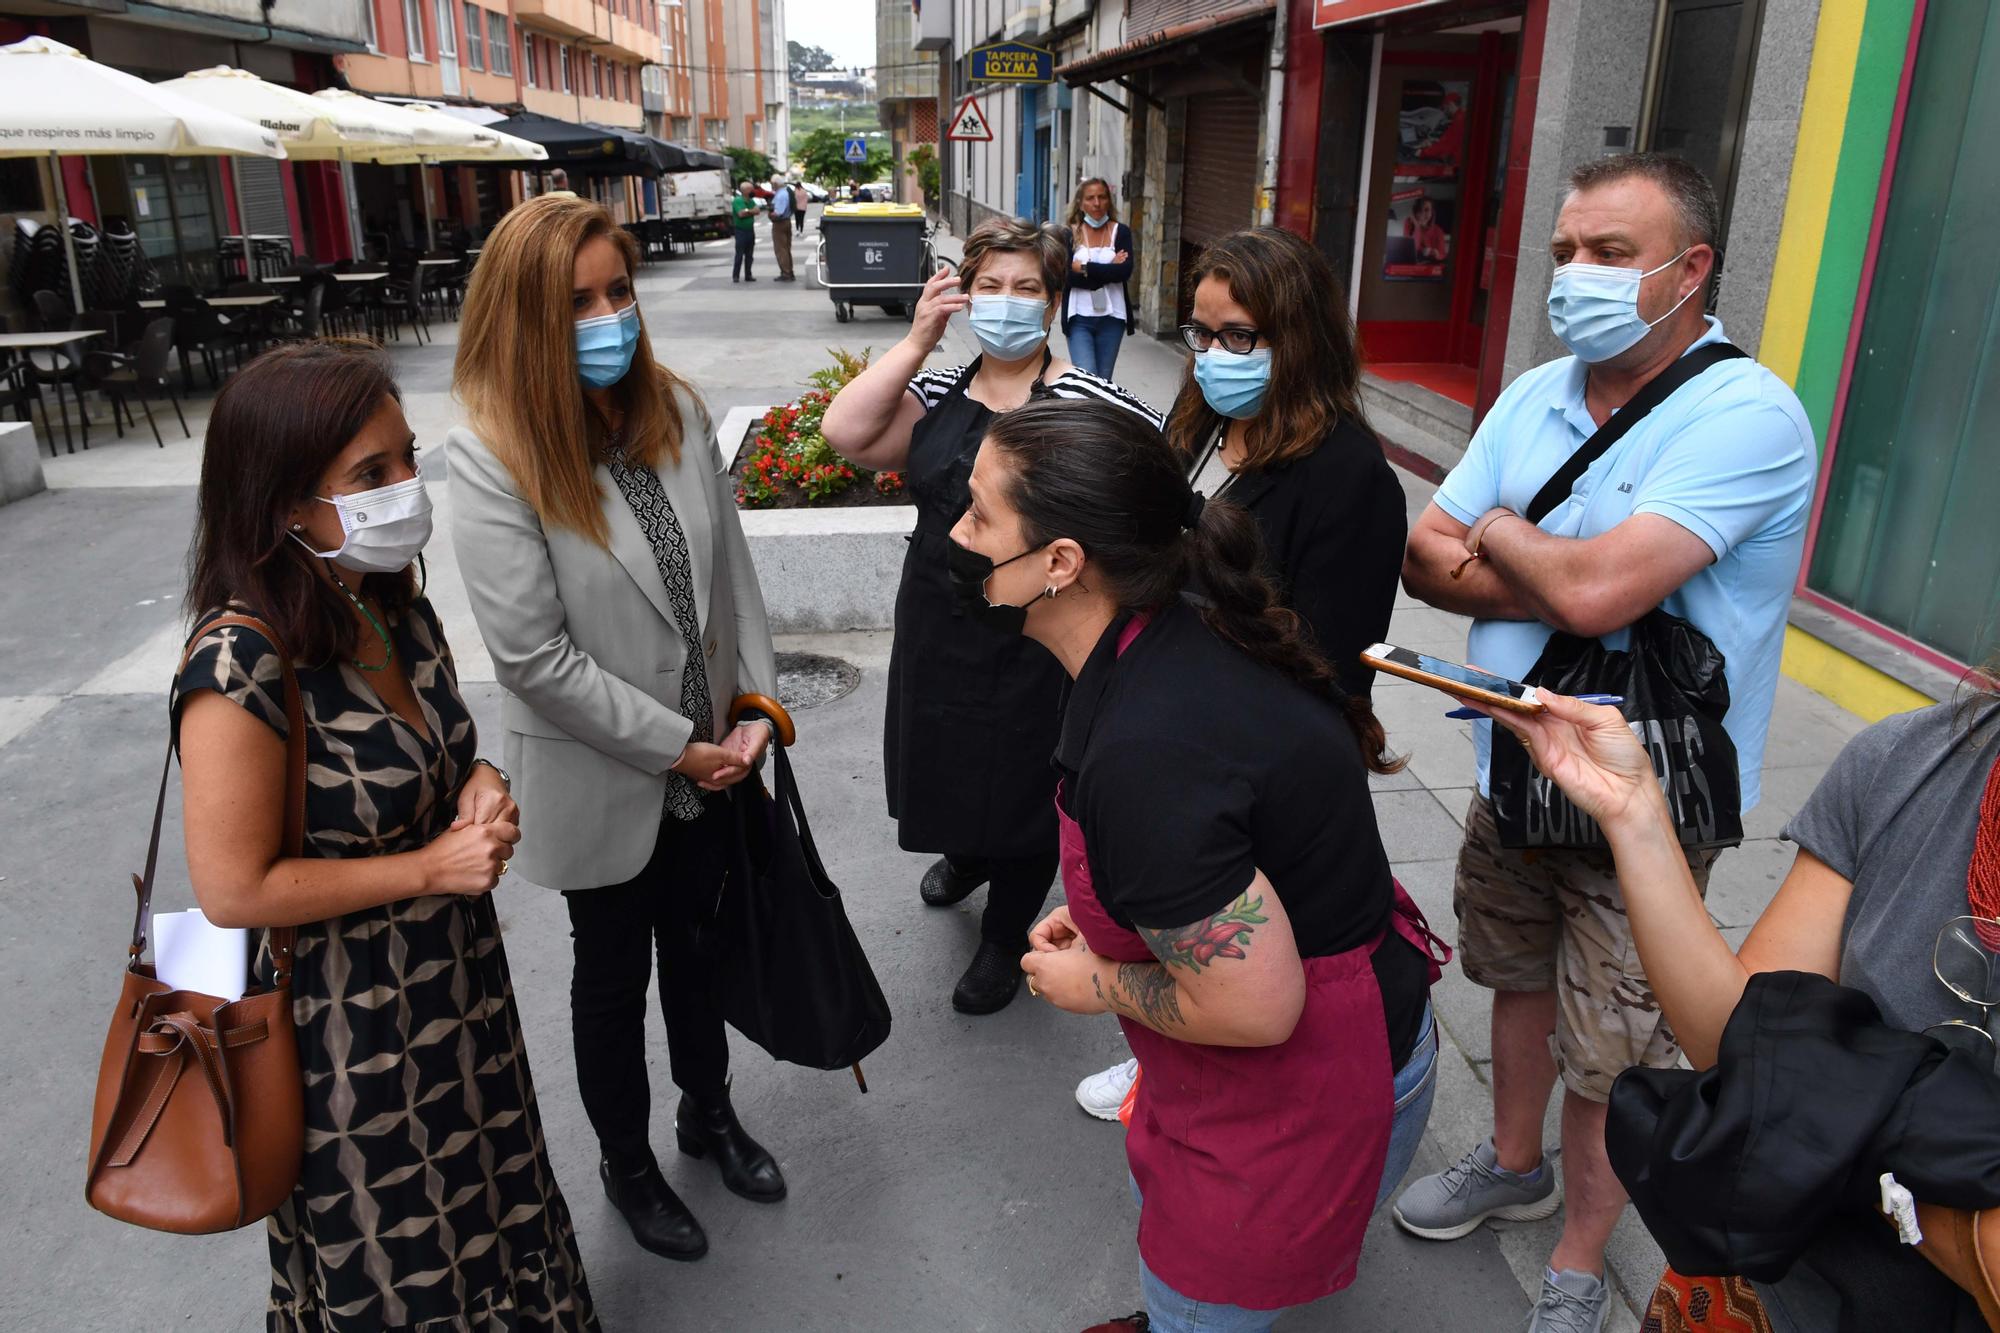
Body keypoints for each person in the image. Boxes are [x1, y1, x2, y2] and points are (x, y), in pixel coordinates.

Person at [1393, 152, 1817, 1332]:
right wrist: (1540, 563)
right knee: (1517, 982)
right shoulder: (1534, 392)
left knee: (1616, 1046)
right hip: (1507, 768)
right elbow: (1422, 555)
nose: (1574, 276)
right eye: (1565, 252)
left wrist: (1498, 532)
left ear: (1690, 271)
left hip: (1645, 805)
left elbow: (1588, 594)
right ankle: (1511, 1160)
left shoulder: (1746, 415)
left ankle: (1580, 1251)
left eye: (1609, 254)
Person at [961, 398, 1437, 1333]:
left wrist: (1097, 978)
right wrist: (1112, 912)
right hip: (1348, 1026)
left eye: (980, 516)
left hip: (1306, 1082)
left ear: (1060, 562)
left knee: (1197, 1311)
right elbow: (1205, 855)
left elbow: (1255, 1004)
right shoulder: (1177, 621)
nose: (957, 534)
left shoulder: (1150, 750)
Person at [175, 341, 596, 1330]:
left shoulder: (387, 601)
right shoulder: (237, 661)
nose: (406, 487)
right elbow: (232, 889)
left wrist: (480, 780)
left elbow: (440, 750)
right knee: (401, 1254)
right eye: (371, 474)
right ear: (285, 501)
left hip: (455, 989)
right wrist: (431, 864)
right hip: (340, 1036)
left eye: (406, 457)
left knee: (500, 1203)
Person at [446, 195, 786, 1266]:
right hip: (609, 771)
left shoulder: (671, 408)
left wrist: (754, 710)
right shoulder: (494, 453)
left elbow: (731, 576)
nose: (609, 316)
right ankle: (626, 1164)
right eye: (577, 300)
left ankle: (708, 1111)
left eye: (618, 291)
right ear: (522, 316)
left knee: (699, 946)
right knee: (611, 977)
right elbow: (533, 660)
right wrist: (673, 746)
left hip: (713, 761)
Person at [1471, 673, 1999, 1332]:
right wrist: (1636, 813)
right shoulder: (1911, 757)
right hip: (1778, 1290)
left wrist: (1842, 1112)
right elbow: (1743, 1045)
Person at [1074, 225, 1408, 1122]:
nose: (1213, 355)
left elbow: (1329, 662)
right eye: (1201, 332)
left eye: (1239, 337)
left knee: (1239, 946)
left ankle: (1192, 1071)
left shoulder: (1349, 478)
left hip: (1255, 765)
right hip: (1173, 728)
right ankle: (1159, 1055)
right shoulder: (1206, 426)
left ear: (1298, 339)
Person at [821, 216, 1160, 1014]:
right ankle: (967, 855)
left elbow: (1157, 494)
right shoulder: (937, 391)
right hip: (938, 623)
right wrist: (917, 338)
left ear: (1052, 303)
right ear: (965, 294)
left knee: (1024, 781)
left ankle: (1006, 937)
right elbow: (845, 432)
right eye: (990, 286)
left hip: (1037, 634)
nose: (1006, 303)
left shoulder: (1084, 398)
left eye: (1026, 289)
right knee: (943, 758)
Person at [1060, 177, 1134, 380]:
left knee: (1104, 380)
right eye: (1090, 198)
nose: (1097, 203)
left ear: (1109, 200)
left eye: (1102, 197)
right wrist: (1109, 269)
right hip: (1079, 319)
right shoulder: (1070, 234)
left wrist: (1084, 268)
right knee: (1087, 378)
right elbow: (1065, 277)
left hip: (1113, 318)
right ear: (1080, 203)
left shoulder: (1121, 232)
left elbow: (1124, 272)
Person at [766, 174, 796, 281]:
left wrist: (770, 213)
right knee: (786, 248)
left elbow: (778, 212)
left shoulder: (780, 195)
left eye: (771, 183)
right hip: (786, 221)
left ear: (775, 183)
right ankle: (789, 271)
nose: (771, 186)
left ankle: (786, 272)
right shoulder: (785, 192)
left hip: (780, 223)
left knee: (781, 249)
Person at [730, 180, 760, 283]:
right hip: (740, 231)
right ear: (746, 190)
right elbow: (740, 214)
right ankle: (736, 275)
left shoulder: (751, 201)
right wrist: (750, 211)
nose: (753, 191)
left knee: (749, 255)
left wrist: (747, 211)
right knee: (739, 254)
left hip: (750, 231)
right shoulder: (737, 201)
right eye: (751, 189)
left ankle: (748, 275)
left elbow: (757, 211)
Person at [1404, 196, 1450, 262]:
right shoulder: (1409, 223)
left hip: (1431, 264)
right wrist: (1418, 227)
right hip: (1412, 264)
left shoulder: (1438, 230)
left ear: (1432, 212)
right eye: (1420, 210)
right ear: (1415, 212)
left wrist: (1436, 254)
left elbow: (1442, 255)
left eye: (1427, 210)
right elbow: (1410, 250)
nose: (1423, 214)